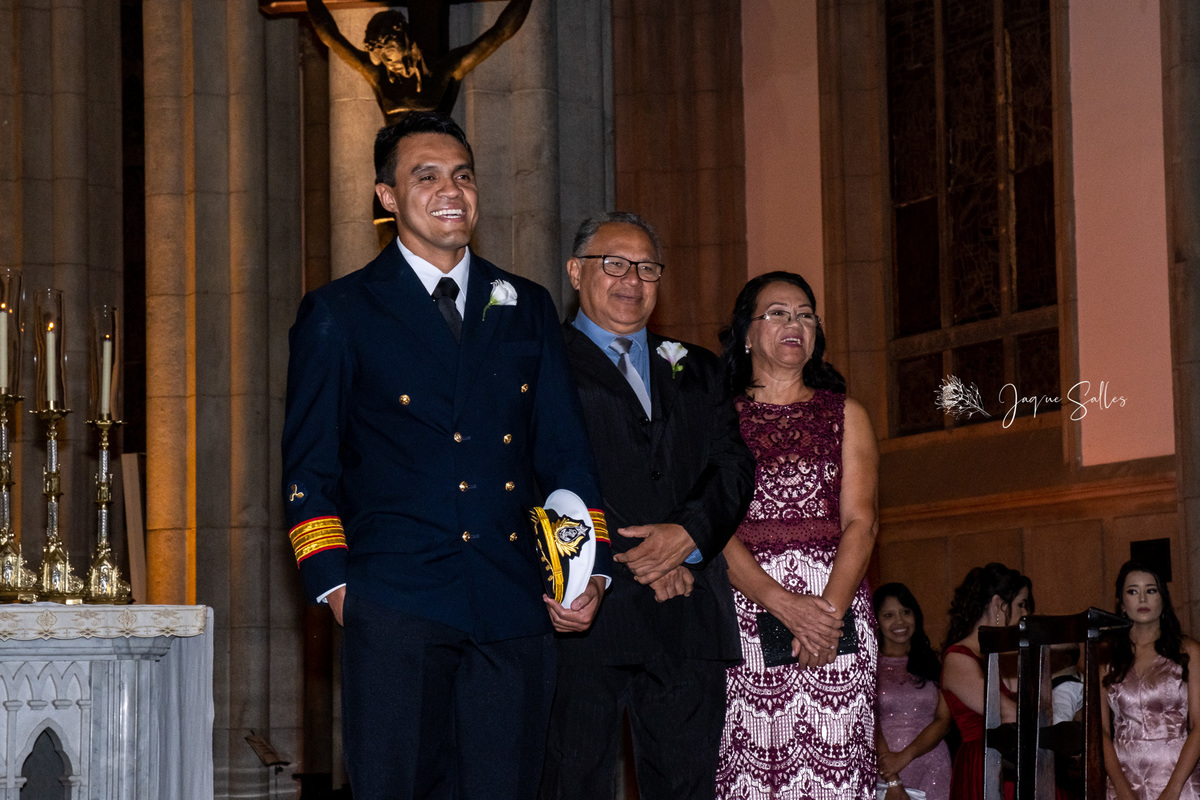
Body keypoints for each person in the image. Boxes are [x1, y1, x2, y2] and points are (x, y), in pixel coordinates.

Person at [281, 111, 610, 800]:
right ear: (388, 197)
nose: (450, 189)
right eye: (425, 176)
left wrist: (587, 571)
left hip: (512, 601)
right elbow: (310, 470)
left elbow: (566, 459)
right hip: (396, 602)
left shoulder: (524, 305)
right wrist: (339, 588)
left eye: (462, 174)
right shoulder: (341, 312)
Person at [539, 212, 755, 800]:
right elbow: (539, 473)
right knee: (573, 783)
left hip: (687, 614)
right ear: (576, 270)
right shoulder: (541, 360)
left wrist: (685, 542)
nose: (632, 280)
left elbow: (733, 468)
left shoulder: (696, 366)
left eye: (648, 268)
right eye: (615, 264)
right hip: (588, 613)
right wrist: (636, 557)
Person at [714, 271, 880, 800]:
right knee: (752, 775)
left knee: (837, 775)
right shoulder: (715, 419)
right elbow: (711, 527)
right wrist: (782, 605)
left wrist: (825, 617)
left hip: (836, 605)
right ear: (746, 332)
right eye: (779, 312)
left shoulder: (846, 415)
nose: (796, 323)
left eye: (806, 314)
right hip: (745, 606)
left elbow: (862, 522)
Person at [305, 0, 533, 119]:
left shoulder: (444, 69)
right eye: (380, 53)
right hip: (396, 172)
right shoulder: (379, 75)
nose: (386, 58)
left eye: (389, 48)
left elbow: (499, 34)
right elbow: (332, 38)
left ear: (405, 39)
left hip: (432, 167)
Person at [1101, 561, 1200, 800]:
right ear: (1121, 603)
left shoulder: (1188, 651)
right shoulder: (1105, 655)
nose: (1143, 599)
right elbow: (1101, 731)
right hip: (1123, 778)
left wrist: (1173, 789)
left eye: (1151, 590)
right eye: (1133, 591)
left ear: (1163, 599)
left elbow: (1199, 725)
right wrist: (1123, 791)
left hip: (1179, 776)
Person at [940, 563, 1032, 800]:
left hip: (1017, 758)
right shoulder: (958, 657)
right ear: (997, 605)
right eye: (1021, 605)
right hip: (984, 764)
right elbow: (1005, 711)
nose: (1026, 615)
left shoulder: (1004, 655)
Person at [874, 582, 952, 800]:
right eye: (888, 615)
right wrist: (893, 778)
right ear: (876, 621)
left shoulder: (934, 662)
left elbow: (944, 721)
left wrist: (904, 756)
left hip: (933, 767)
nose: (899, 621)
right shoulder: (868, 667)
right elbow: (870, 724)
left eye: (905, 612)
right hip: (886, 771)